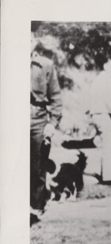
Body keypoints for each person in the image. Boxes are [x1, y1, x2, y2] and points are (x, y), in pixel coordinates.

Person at [30, 34, 62, 222]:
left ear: (33, 42)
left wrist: (52, 123)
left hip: (38, 119)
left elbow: (56, 98)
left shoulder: (46, 65)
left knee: (38, 166)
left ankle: (35, 207)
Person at [89, 54, 111, 185]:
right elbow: (110, 101)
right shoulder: (107, 80)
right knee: (109, 146)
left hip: (95, 115)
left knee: (105, 146)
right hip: (102, 114)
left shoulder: (97, 80)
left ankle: (104, 174)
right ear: (105, 67)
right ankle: (108, 177)